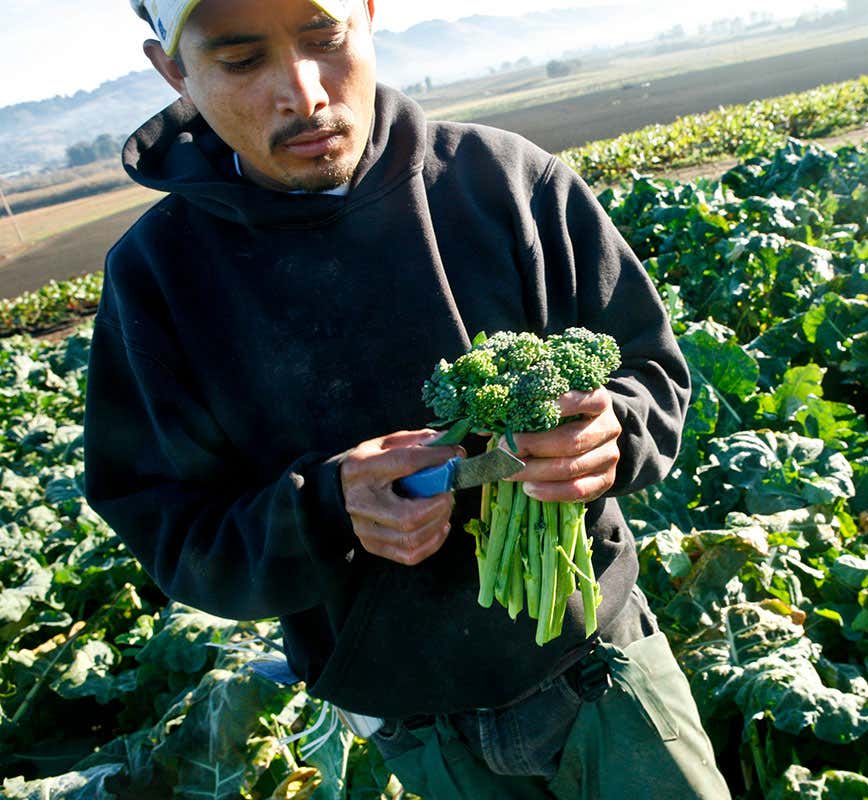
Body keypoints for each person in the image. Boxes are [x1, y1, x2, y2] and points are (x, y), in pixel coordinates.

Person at [83, 0, 732, 797]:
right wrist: (324, 513)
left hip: (599, 673)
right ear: (174, 71)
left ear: (368, 13)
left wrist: (615, 431)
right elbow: (175, 534)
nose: (306, 94)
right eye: (244, 61)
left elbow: (653, 373)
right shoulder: (157, 279)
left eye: (325, 40)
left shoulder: (505, 181)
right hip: (415, 729)